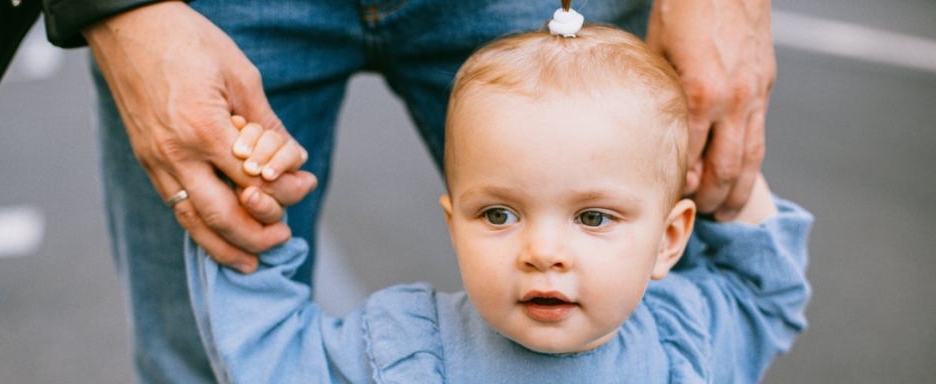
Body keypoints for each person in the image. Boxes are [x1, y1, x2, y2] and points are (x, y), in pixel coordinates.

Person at [40, 0, 775, 381]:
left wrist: (729, 189)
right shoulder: (406, 354)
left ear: (672, 236)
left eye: (592, 216)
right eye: (497, 214)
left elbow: (762, 296)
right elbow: (264, 358)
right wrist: (249, 209)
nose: (544, 252)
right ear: (452, 223)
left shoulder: (687, 347)